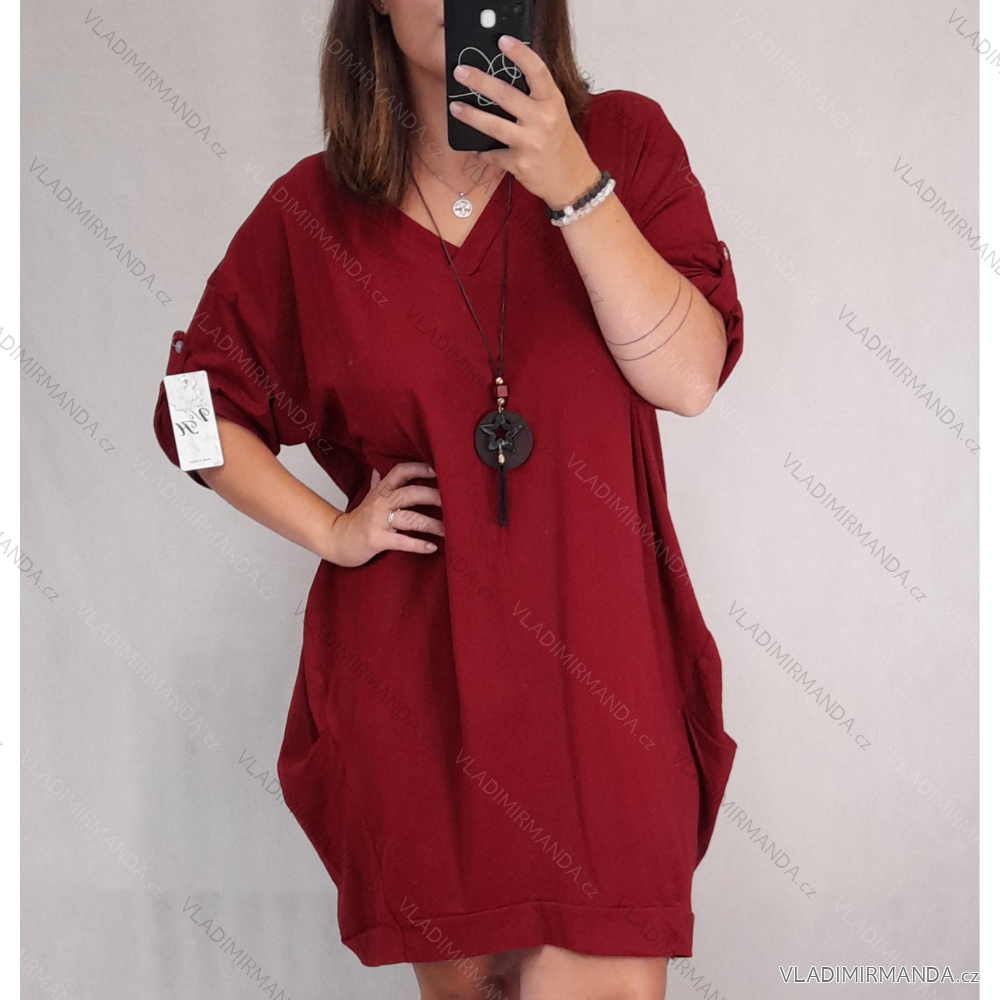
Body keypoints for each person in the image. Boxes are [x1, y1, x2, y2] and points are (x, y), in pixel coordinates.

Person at [152, 1, 745, 997]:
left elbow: (688, 377)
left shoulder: (623, 146)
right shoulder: (314, 214)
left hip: (603, 704)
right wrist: (331, 530)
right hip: (421, 707)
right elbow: (190, 407)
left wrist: (573, 185)